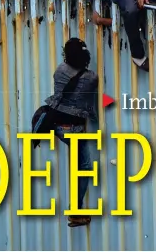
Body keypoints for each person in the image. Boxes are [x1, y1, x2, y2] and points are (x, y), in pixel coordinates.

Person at [45, 37, 99, 228]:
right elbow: (92, 107)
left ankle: (76, 210)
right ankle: (75, 211)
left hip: (57, 125)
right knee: (84, 167)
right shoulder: (90, 77)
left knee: (79, 163)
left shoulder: (59, 70)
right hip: (74, 129)